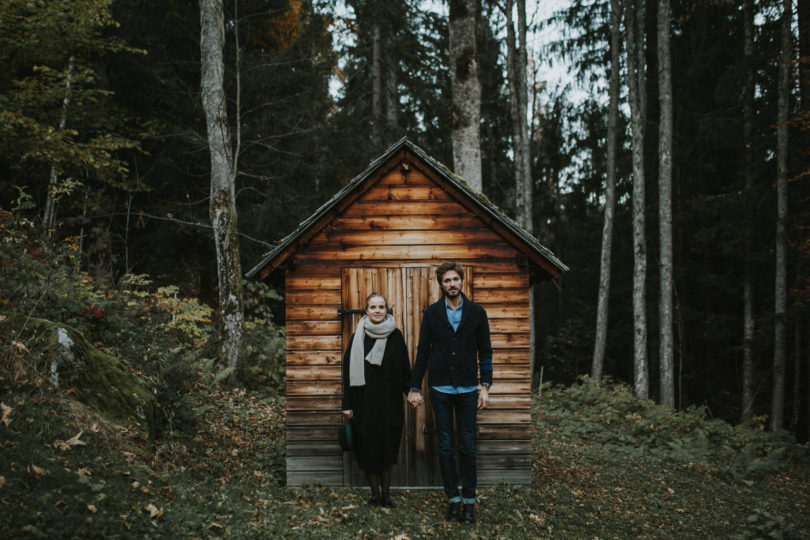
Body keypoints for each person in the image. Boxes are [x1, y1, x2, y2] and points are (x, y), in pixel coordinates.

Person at [407, 262, 492, 524]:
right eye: (447, 280)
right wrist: (413, 387)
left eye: (455, 279)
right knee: (445, 447)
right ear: (440, 284)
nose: (452, 284)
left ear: (461, 281)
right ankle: (452, 500)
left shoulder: (477, 312)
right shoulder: (432, 313)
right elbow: (422, 352)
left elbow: (485, 352)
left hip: (468, 390)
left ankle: (469, 503)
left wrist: (485, 386)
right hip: (440, 389)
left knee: (467, 446)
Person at [342, 292, 411, 507]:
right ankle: (374, 494)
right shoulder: (357, 337)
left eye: (381, 307)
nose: (378, 311)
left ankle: (386, 495)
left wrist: (411, 392)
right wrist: (348, 405)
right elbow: (347, 372)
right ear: (366, 311)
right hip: (364, 404)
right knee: (367, 449)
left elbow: (404, 369)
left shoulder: (396, 336)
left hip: (390, 403)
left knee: (388, 448)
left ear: (386, 310)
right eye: (373, 307)